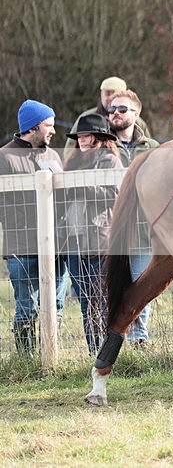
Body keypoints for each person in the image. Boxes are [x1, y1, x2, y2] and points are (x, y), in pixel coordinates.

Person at [0, 100, 69, 355]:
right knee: (26, 307)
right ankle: (26, 359)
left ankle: (53, 353)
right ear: (33, 126)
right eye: (49, 125)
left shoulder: (52, 155)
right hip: (22, 247)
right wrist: (33, 221)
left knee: (57, 304)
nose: (53, 130)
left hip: (56, 245)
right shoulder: (4, 157)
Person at [62, 113, 123, 353]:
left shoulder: (109, 161)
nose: (81, 140)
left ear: (98, 137)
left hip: (99, 239)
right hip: (73, 240)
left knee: (102, 300)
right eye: (79, 136)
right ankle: (93, 351)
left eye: (86, 136)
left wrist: (82, 182)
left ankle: (107, 352)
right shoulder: (74, 161)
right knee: (86, 302)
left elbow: (114, 196)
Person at [107, 90, 159, 345]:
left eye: (122, 109)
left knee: (141, 286)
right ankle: (111, 341)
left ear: (136, 113)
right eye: (112, 109)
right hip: (110, 232)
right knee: (111, 288)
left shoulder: (152, 148)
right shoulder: (103, 145)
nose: (115, 113)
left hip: (142, 230)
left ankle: (139, 340)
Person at [65, 76, 150, 158]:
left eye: (114, 93)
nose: (110, 98)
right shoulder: (87, 118)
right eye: (107, 94)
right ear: (101, 94)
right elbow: (70, 149)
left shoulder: (138, 122)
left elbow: (147, 144)